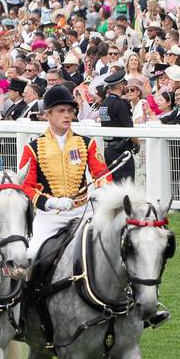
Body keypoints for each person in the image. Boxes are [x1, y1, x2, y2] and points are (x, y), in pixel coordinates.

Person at [19, 86, 110, 259]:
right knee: (30, 254)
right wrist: (51, 202)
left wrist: (101, 191)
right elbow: (26, 187)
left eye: (70, 110)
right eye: (61, 111)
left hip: (84, 212)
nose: (67, 115)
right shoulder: (32, 148)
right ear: (47, 114)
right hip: (50, 216)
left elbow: (103, 175)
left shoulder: (86, 143)